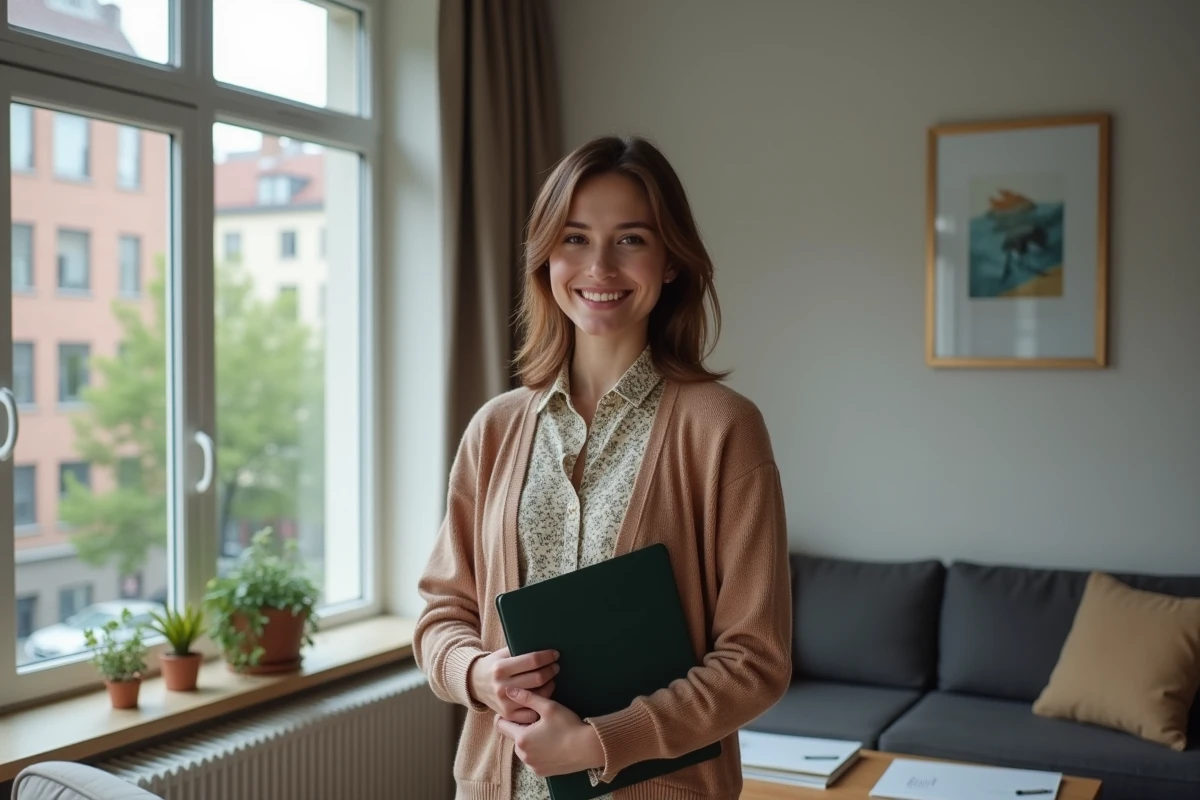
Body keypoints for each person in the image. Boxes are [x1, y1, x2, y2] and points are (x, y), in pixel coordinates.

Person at [413, 135, 792, 800]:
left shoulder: (724, 428)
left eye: (632, 240)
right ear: (546, 256)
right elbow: (442, 613)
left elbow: (756, 661)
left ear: (671, 259)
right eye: (576, 238)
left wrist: (596, 744)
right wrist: (479, 674)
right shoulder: (494, 429)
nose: (600, 266)